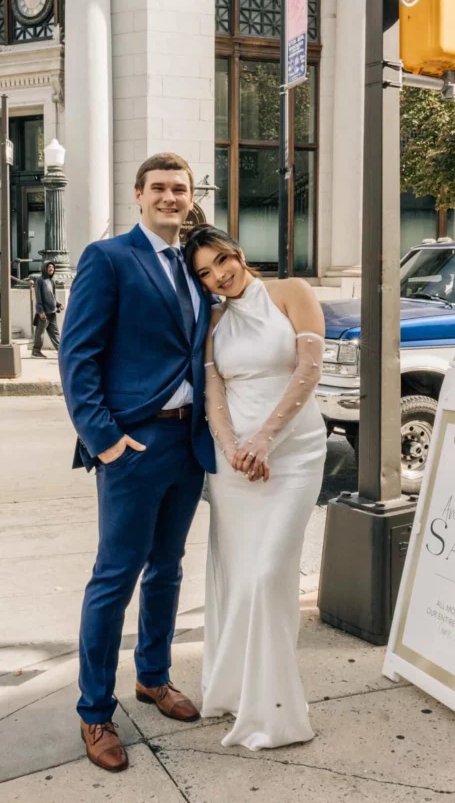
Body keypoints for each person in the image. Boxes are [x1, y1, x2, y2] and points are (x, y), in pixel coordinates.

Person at [59, 153, 215, 773]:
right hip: (135, 444)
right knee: (114, 578)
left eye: (180, 189)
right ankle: (95, 710)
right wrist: (106, 440)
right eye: (160, 189)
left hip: (188, 444)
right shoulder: (109, 258)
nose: (170, 198)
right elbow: (79, 357)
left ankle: (153, 676)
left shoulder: (196, 263)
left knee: (168, 569)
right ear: (138, 196)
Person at [183, 224, 327, 752]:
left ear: (237, 252)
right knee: (240, 578)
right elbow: (213, 392)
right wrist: (232, 447)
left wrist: (265, 440)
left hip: (292, 452)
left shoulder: (293, 292)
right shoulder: (214, 320)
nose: (219, 275)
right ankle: (234, 691)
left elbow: (308, 372)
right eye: (205, 273)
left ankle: (277, 712)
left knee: (270, 574)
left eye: (221, 261)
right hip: (235, 466)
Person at [32, 261, 62, 359]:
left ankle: (61, 351)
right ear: (44, 268)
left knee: (55, 333)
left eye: (53, 268)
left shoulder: (51, 281)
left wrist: (58, 304)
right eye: (49, 267)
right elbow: (38, 297)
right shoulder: (40, 280)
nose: (51, 269)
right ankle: (36, 352)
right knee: (40, 333)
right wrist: (40, 311)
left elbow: (52, 296)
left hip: (52, 312)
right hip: (44, 313)